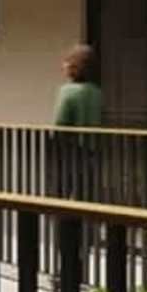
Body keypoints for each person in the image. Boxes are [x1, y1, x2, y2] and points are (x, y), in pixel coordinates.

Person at [51, 44, 102, 200]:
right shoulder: (97, 92)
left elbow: (59, 122)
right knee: (86, 192)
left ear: (74, 66)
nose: (63, 65)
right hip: (92, 148)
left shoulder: (67, 91)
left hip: (69, 149)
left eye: (67, 61)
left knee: (64, 194)